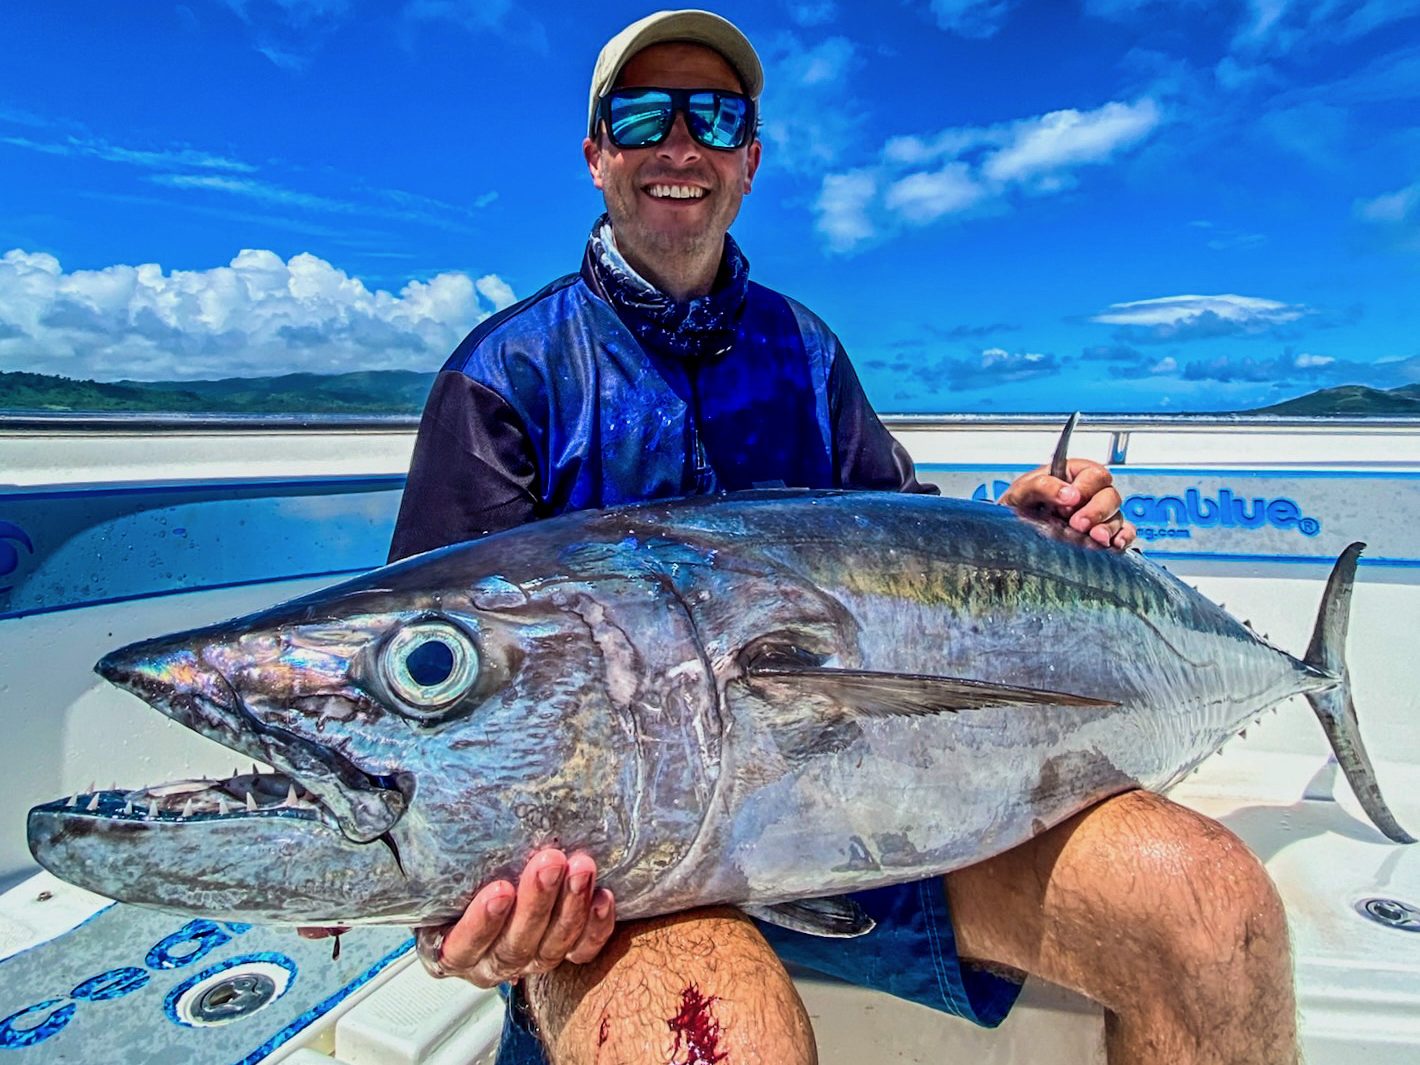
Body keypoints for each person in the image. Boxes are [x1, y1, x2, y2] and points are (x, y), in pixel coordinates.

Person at [382, 11, 1296, 1064]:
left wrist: (1022, 533)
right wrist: (452, 915)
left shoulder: (806, 355)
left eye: (714, 118)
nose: (680, 145)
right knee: (710, 1042)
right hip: (621, 885)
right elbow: (434, 711)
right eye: (642, 115)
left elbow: (906, 571)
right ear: (597, 155)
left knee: (1209, 910)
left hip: (870, 829)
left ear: (750, 159)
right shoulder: (507, 377)